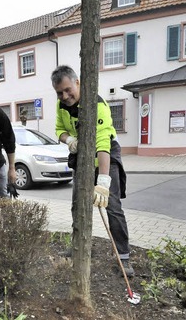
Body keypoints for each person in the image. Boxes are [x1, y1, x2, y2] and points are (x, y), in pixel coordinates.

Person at [50, 65, 133, 276]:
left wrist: (103, 181)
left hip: (105, 155)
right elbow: (59, 129)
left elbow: (103, 144)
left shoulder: (96, 104)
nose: (65, 96)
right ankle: (79, 246)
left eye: (68, 90)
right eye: (60, 92)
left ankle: (123, 256)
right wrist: (69, 140)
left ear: (78, 82)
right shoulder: (61, 105)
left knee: (112, 206)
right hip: (81, 157)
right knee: (78, 204)